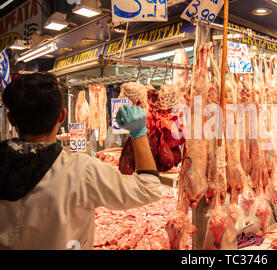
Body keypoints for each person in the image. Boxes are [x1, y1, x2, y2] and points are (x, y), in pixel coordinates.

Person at [0, 73, 162, 249]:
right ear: (62, 116)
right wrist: (138, 132)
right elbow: (148, 188)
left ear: (11, 119)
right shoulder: (81, 171)